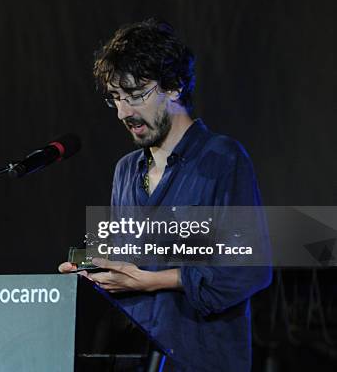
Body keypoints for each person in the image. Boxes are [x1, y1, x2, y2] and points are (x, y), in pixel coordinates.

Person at [59, 19, 271, 371]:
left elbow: (250, 270)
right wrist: (94, 273)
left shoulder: (222, 159)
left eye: (137, 94)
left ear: (174, 87)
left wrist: (153, 280)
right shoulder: (126, 170)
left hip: (199, 359)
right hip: (135, 358)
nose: (125, 112)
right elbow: (127, 262)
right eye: (116, 98)